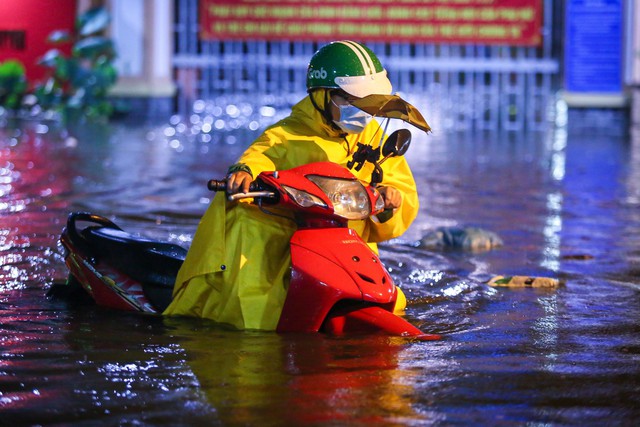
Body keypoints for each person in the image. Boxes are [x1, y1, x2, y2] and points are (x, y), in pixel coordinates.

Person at [163, 40, 420, 330]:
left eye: (370, 102)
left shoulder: (373, 138)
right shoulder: (287, 135)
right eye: (350, 100)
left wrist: (390, 204)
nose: (362, 110)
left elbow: (402, 194)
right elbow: (259, 157)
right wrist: (244, 173)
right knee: (257, 319)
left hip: (348, 247)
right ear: (322, 97)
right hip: (289, 247)